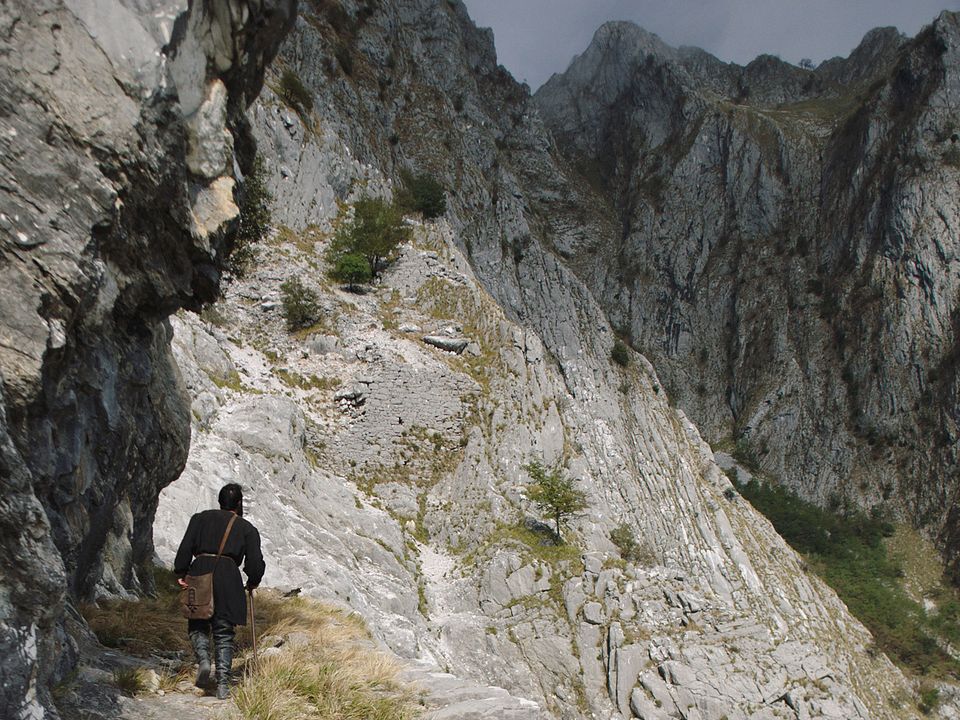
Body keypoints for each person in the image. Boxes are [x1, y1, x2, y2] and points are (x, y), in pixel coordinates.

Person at [174, 483, 265, 699]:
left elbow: (186, 546)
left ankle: (204, 660)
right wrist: (253, 580)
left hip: (200, 572)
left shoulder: (200, 519)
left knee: (197, 623)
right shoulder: (247, 528)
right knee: (224, 632)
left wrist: (181, 571)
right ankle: (223, 684)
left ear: (219, 501)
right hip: (228, 578)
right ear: (239, 503)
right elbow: (255, 562)